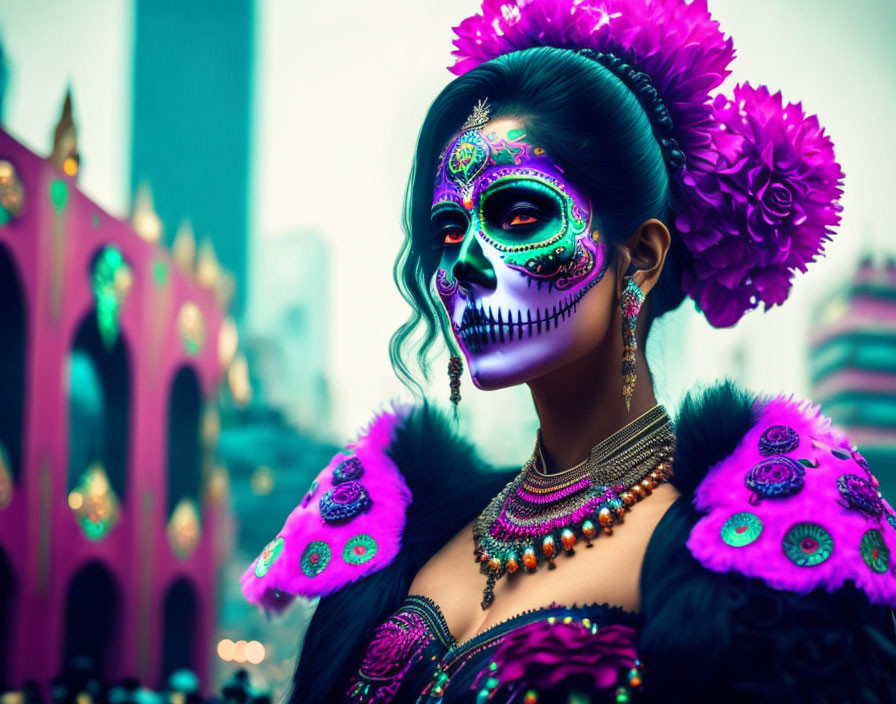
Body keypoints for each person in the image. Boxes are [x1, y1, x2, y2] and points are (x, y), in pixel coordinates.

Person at [242, 0, 896, 701]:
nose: (464, 261)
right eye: (449, 227)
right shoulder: (403, 539)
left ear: (640, 257)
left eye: (519, 215)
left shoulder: (765, 553)